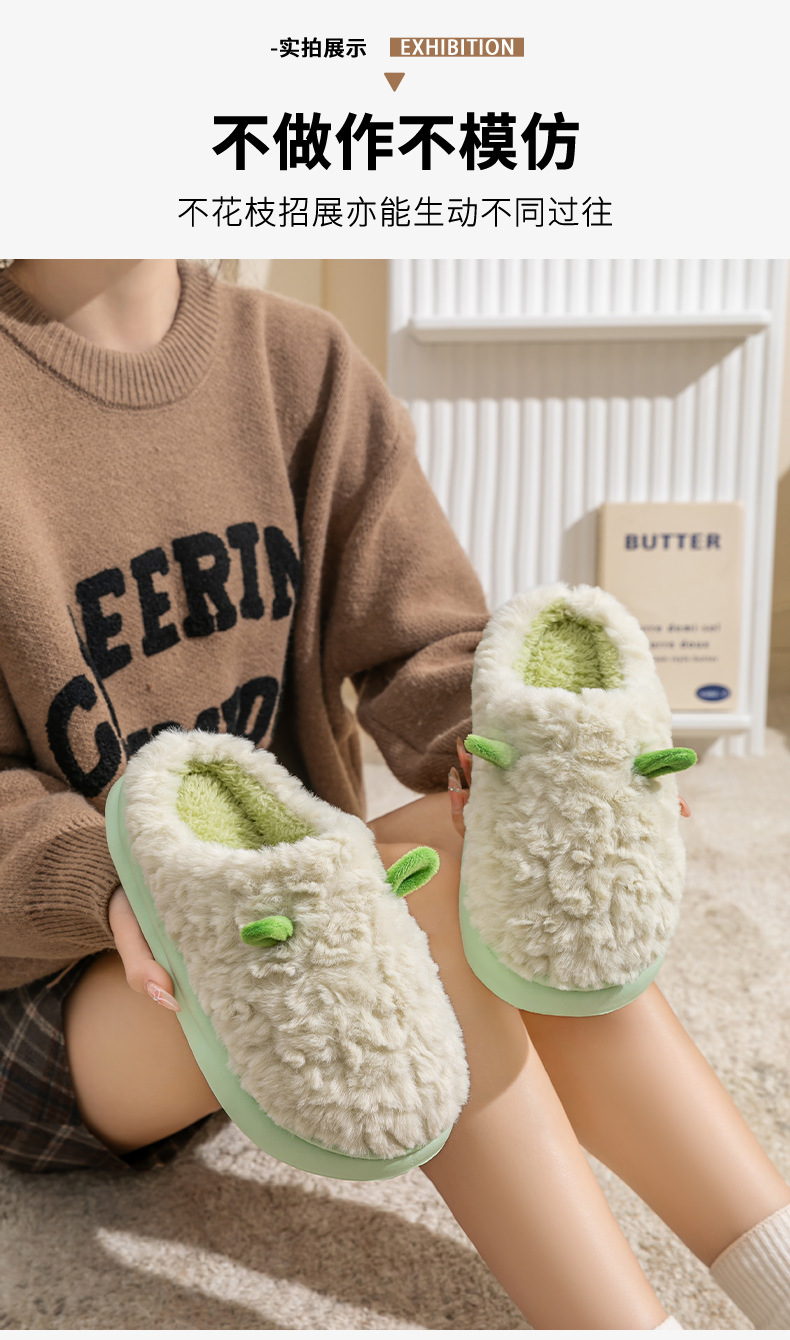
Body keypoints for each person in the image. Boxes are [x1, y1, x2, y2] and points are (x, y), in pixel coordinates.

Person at [0, 258, 788, 1331]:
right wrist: (107, 877)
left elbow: (423, 643)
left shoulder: (297, 361)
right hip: (59, 995)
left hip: (306, 957)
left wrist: (519, 764)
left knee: (483, 869)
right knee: (397, 909)